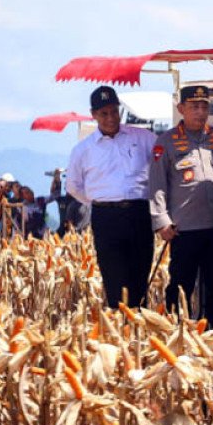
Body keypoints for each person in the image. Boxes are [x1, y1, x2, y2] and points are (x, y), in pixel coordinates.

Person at [66, 86, 157, 307]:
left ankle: (139, 330)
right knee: (114, 279)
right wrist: (99, 201)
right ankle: (121, 329)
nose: (110, 118)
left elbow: (162, 166)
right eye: (104, 113)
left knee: (139, 278)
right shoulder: (83, 150)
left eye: (114, 111)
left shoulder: (144, 138)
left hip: (138, 214)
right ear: (94, 114)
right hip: (106, 218)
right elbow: (73, 186)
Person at [149, 85, 213, 326]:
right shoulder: (166, 142)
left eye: (204, 107)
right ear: (181, 108)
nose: (200, 112)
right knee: (181, 284)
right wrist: (161, 221)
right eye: (194, 106)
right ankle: (174, 330)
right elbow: (157, 185)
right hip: (185, 228)